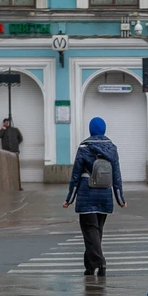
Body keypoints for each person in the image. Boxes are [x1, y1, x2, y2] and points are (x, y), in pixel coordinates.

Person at [64, 117, 125, 276]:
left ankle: (99, 262)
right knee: (96, 231)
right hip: (104, 193)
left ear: (91, 130)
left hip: (87, 192)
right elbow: (116, 175)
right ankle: (90, 266)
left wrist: (69, 198)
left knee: (90, 230)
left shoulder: (84, 147)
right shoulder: (112, 148)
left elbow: (76, 175)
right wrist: (120, 198)